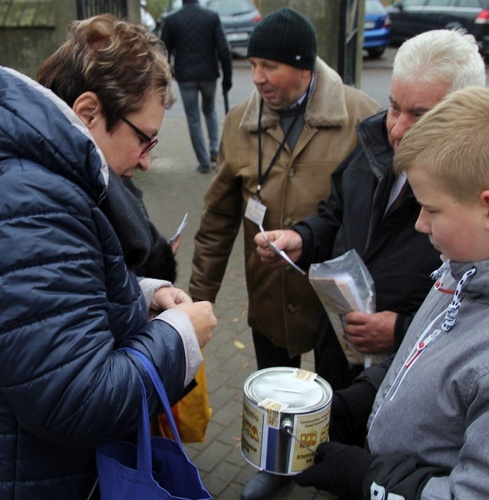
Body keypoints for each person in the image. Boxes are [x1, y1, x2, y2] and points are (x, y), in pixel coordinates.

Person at [0, 15, 216, 498]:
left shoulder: (30, 186)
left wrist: (144, 296)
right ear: (87, 112)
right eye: (144, 138)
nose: (147, 159)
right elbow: (75, 401)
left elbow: (51, 310)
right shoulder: (21, 207)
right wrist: (180, 337)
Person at [293, 85, 489, 498]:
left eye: (431, 209)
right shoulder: (469, 261)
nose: (420, 224)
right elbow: (429, 351)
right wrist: (365, 397)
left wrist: (373, 483)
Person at [188, 7, 379, 498]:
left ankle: (334, 467)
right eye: (252, 66)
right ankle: (278, 466)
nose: (257, 79)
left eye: (268, 66)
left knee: (337, 394)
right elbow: (216, 222)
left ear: (304, 66)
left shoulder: (360, 115)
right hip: (269, 289)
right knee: (275, 391)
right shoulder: (238, 122)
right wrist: (197, 302)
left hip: (334, 298)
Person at [254, 29, 486, 390]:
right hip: (339, 361)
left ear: (466, 111)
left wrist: (401, 331)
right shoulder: (374, 145)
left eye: (420, 115)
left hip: (407, 384)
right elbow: (337, 213)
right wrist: (303, 237)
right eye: (394, 106)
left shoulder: (484, 196)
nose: (397, 129)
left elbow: (484, 317)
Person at [160, 0, 233, 173]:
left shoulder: (172, 20)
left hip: (185, 76)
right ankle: (215, 148)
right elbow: (224, 49)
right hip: (209, 74)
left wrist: (166, 75)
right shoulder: (211, 17)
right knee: (210, 111)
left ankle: (203, 161)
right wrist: (227, 78)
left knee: (193, 118)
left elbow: (162, 51)